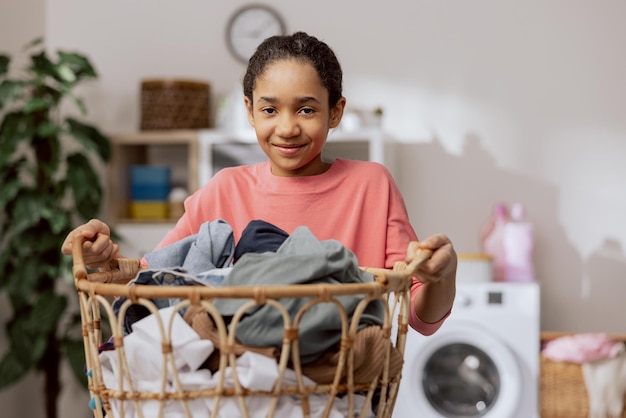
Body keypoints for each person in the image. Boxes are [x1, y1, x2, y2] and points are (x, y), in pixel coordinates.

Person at [62, 31, 457, 335]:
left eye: (306, 109)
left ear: (335, 112)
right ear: (250, 111)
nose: (287, 128)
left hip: (341, 391)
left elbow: (421, 316)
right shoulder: (223, 190)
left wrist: (444, 274)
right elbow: (154, 283)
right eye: (270, 109)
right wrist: (102, 261)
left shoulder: (371, 185)